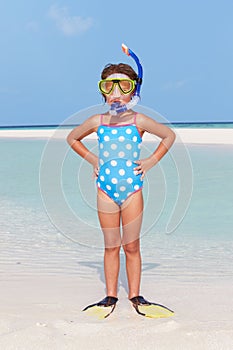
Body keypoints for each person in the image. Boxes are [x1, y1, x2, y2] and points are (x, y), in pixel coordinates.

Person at [67, 45, 176, 318]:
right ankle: (110, 296)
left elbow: (169, 136)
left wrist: (150, 162)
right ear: (102, 91)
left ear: (133, 91)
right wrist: (93, 160)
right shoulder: (97, 120)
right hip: (105, 190)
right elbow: (72, 138)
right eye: (110, 87)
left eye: (123, 86)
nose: (116, 93)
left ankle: (136, 295)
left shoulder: (139, 120)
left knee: (132, 246)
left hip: (132, 190)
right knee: (111, 246)